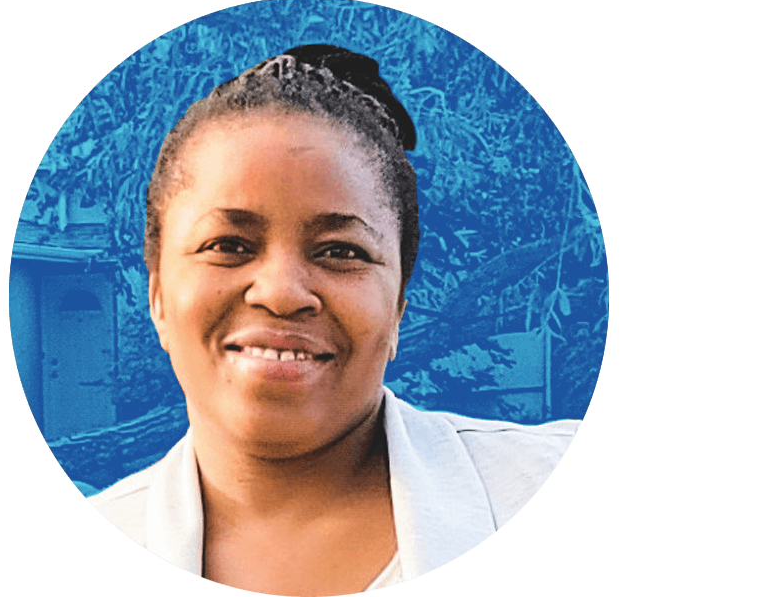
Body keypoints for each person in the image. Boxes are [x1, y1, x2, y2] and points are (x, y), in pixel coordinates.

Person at [88, 44, 581, 594]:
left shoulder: (533, 478)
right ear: (157, 295)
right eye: (228, 244)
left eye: (341, 251)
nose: (281, 293)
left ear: (397, 308)